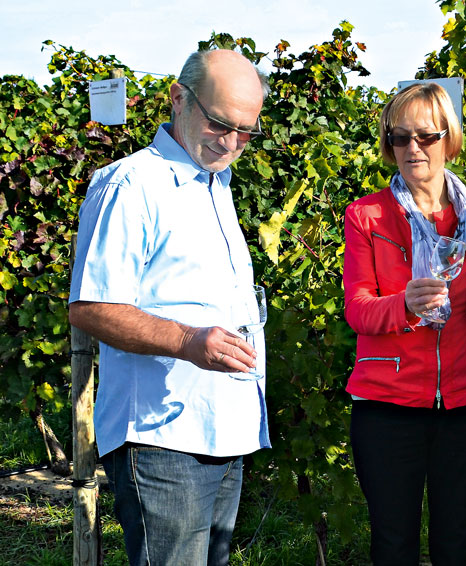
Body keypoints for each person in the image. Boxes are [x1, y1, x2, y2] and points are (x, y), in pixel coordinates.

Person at [68, 49, 271, 566]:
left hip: (224, 427)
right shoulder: (131, 186)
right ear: (179, 98)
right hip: (162, 437)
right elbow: (91, 307)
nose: (232, 143)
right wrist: (188, 341)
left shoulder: (214, 185)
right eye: (221, 123)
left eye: (247, 131)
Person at [343, 82, 466, 566]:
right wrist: (403, 304)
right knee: (393, 545)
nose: (412, 148)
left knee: (457, 546)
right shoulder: (367, 215)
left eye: (426, 135)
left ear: (450, 139)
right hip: (387, 407)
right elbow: (358, 309)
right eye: (399, 137)